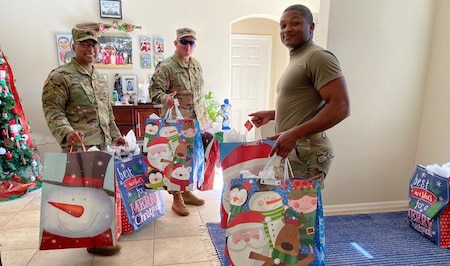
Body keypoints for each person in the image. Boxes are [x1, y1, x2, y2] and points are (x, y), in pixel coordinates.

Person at [42, 27, 126, 256]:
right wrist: (66, 131)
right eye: (85, 44)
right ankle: (94, 240)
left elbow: (107, 112)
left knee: (102, 192)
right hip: (80, 145)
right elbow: (53, 110)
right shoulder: (60, 76)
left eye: (94, 45)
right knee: (84, 195)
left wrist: (116, 135)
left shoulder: (98, 78)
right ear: (74, 47)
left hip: (101, 144)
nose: (91, 49)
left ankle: (102, 232)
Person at [249, 4, 350, 188]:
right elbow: (307, 105)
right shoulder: (299, 57)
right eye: (283, 25)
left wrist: (294, 133)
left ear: (311, 27)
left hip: (306, 151)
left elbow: (341, 106)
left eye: (295, 23)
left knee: (300, 212)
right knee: (290, 213)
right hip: (295, 148)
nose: (287, 29)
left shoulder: (318, 57)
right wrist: (273, 114)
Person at [149, 27, 208, 216]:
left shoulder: (196, 65)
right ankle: (176, 197)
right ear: (176, 43)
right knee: (176, 160)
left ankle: (187, 191)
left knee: (192, 159)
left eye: (192, 42)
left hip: (196, 122)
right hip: (177, 124)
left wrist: (205, 121)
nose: (188, 46)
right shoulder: (166, 67)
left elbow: (199, 95)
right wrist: (165, 98)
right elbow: (154, 92)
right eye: (184, 42)